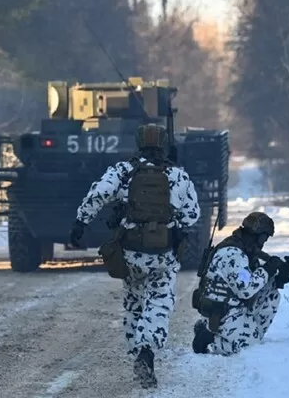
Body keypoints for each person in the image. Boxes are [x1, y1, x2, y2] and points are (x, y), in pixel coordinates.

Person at [68, 123, 200, 389]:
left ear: (138, 143)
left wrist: (81, 221)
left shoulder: (123, 171)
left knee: (134, 301)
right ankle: (146, 351)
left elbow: (100, 193)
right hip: (163, 254)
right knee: (159, 302)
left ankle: (136, 348)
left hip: (130, 251)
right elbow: (192, 215)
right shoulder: (178, 175)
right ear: (164, 144)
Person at [191, 211, 289, 356]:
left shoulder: (246, 251)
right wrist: (267, 269)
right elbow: (246, 289)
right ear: (258, 235)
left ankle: (249, 333)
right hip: (221, 309)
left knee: (272, 296)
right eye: (264, 238)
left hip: (234, 304)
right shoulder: (232, 253)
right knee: (247, 348)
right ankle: (209, 339)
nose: (264, 243)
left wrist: (278, 279)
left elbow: (254, 281)